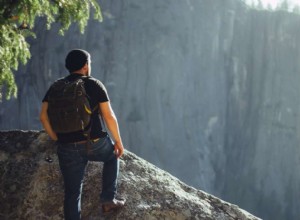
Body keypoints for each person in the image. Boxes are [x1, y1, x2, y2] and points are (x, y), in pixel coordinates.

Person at [40, 49, 125, 220]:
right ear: (86, 65)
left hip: (66, 146)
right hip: (94, 142)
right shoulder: (93, 84)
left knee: (72, 194)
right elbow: (108, 116)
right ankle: (108, 200)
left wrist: (58, 139)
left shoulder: (56, 86)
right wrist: (118, 142)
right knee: (112, 157)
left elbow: (43, 116)